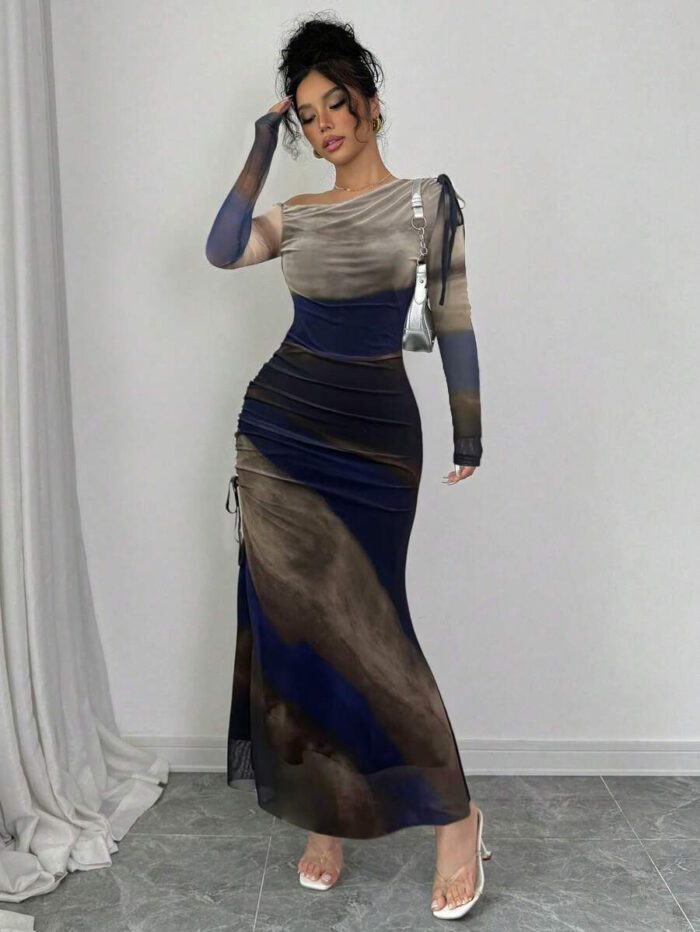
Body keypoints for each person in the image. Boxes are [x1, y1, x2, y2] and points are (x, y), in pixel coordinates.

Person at [206, 13, 489, 920]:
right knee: (298, 636)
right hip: (279, 439)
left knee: (377, 632)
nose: (323, 124)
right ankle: (322, 817)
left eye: (335, 104)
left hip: (376, 440)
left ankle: (459, 820)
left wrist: (469, 431)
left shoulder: (425, 201)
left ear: (368, 103)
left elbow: (451, 318)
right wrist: (259, 151)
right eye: (305, 115)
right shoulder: (296, 215)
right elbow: (221, 248)